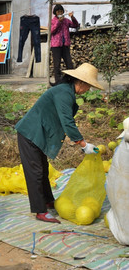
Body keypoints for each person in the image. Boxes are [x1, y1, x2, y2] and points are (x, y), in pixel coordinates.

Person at [15, 63, 103, 223]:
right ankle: (40, 211)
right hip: (30, 134)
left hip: (39, 134)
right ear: (81, 82)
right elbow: (67, 122)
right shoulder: (64, 93)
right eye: (88, 86)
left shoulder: (66, 92)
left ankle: (48, 201)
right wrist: (83, 145)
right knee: (35, 172)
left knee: (43, 169)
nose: (88, 90)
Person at [50, 4, 79, 85]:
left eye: (61, 11)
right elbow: (52, 31)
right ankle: (58, 82)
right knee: (57, 65)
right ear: (55, 13)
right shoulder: (53, 21)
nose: (60, 13)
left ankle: (71, 81)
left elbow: (75, 25)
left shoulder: (66, 20)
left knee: (69, 63)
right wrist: (59, 22)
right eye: (58, 11)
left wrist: (72, 17)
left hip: (65, 45)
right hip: (56, 46)